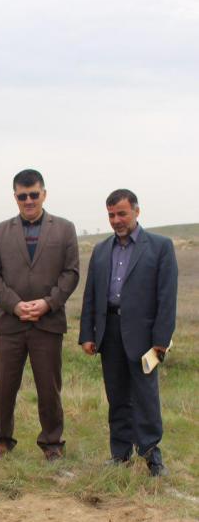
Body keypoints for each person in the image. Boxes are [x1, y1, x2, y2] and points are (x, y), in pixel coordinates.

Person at [79, 189, 178, 476]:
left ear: (136, 211)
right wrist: (88, 334)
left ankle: (152, 457)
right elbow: (91, 296)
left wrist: (161, 341)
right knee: (117, 397)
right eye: (111, 215)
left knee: (146, 398)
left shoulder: (160, 246)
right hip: (109, 333)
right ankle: (120, 454)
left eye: (122, 213)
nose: (116, 220)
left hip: (144, 338)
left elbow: (166, 297)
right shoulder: (100, 250)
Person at [0, 168, 79, 461]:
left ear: (43, 194)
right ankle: (1, 441)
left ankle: (52, 444)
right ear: (15, 197)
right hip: (10, 324)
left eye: (34, 195)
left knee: (49, 387)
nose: (28, 200)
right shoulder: (0, 231)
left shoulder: (64, 228)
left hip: (47, 323)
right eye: (22, 196)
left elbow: (71, 272)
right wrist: (14, 305)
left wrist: (48, 303)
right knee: (4, 386)